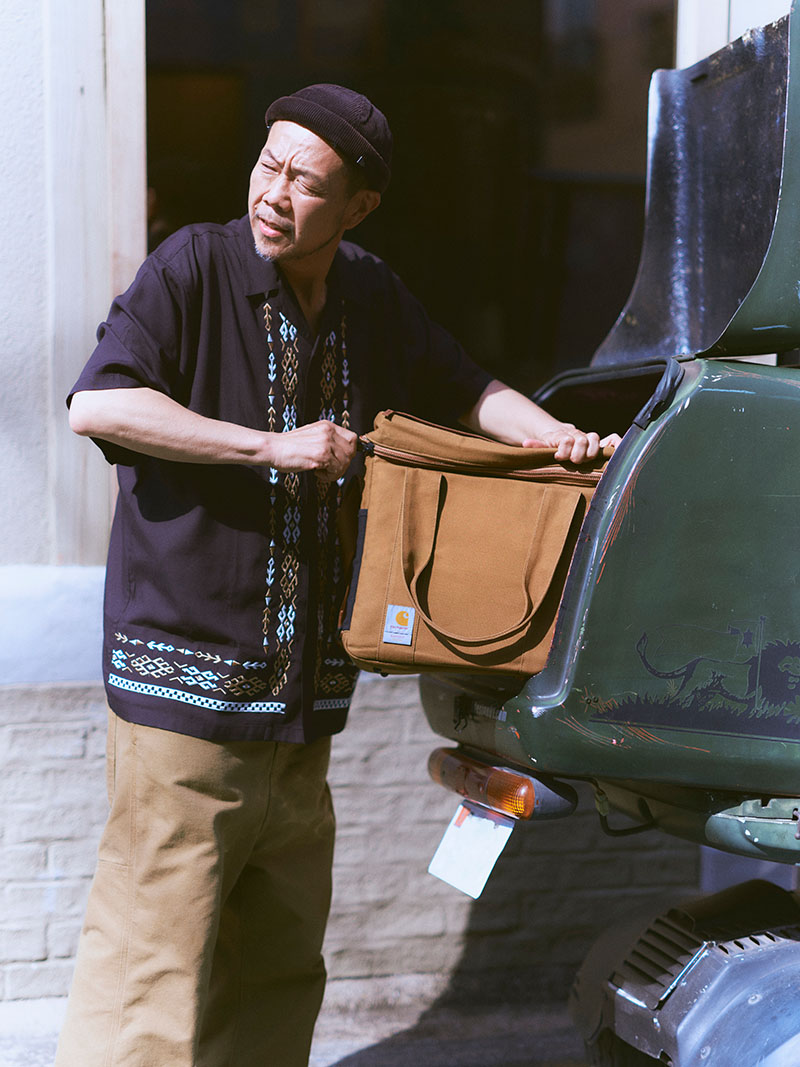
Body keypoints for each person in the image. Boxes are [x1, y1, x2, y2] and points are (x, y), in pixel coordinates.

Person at [57, 84, 619, 1067]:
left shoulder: (369, 293)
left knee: (276, 970)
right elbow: (100, 406)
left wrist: (557, 440)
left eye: (304, 182)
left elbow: (467, 388)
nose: (273, 193)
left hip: (304, 705)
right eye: (267, 165)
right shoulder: (194, 264)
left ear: (357, 206)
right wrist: (268, 445)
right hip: (182, 703)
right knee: (151, 969)